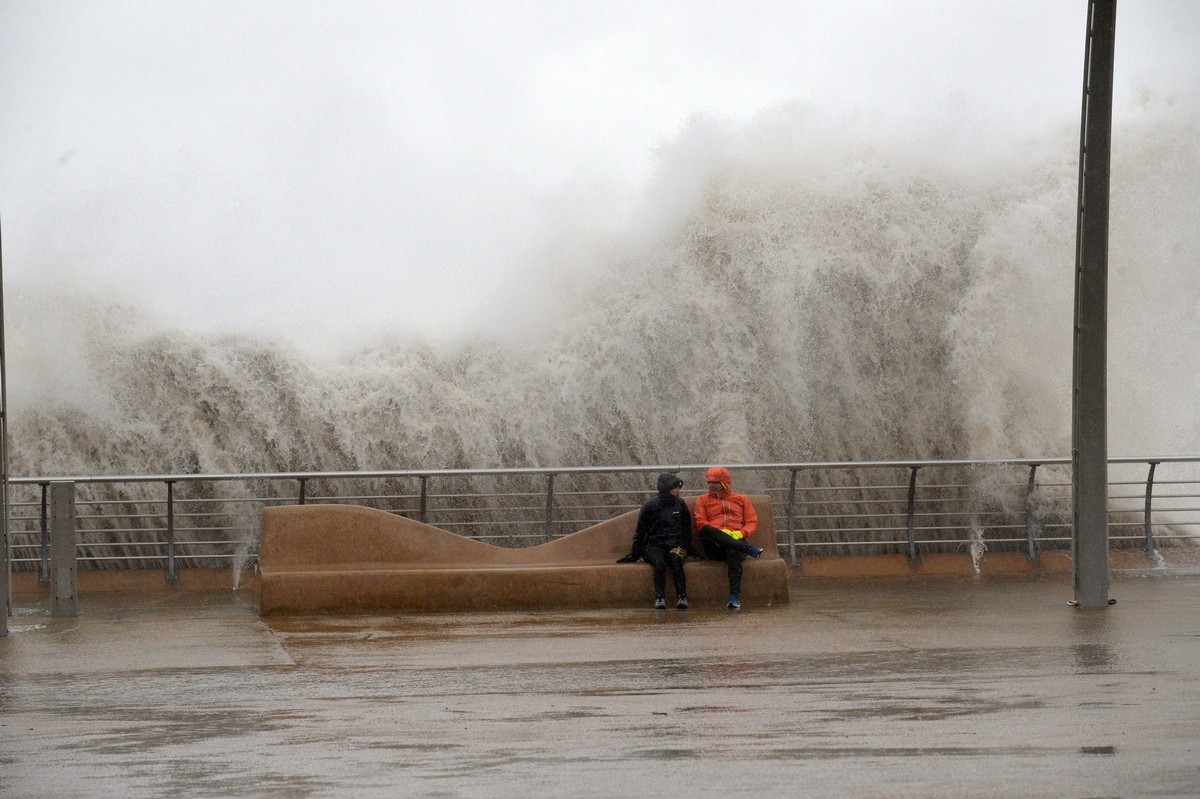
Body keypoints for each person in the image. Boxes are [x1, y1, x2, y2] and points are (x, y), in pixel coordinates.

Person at [617, 472, 697, 609]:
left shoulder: (680, 504)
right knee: (659, 563)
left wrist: (687, 548)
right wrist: (635, 554)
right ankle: (660, 598)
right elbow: (640, 532)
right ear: (667, 489)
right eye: (675, 488)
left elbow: (686, 530)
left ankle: (682, 597)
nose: (678, 490)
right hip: (655, 545)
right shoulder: (650, 506)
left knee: (676, 560)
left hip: (674, 544)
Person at [693, 466, 764, 609]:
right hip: (714, 547)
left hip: (735, 544)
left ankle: (734, 597)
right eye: (709, 482)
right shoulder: (702, 500)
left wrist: (740, 533)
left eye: (715, 482)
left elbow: (752, 522)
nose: (711, 486)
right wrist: (722, 533)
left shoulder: (741, 499)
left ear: (725, 483)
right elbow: (701, 522)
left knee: (733, 551)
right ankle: (748, 549)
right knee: (706, 529)